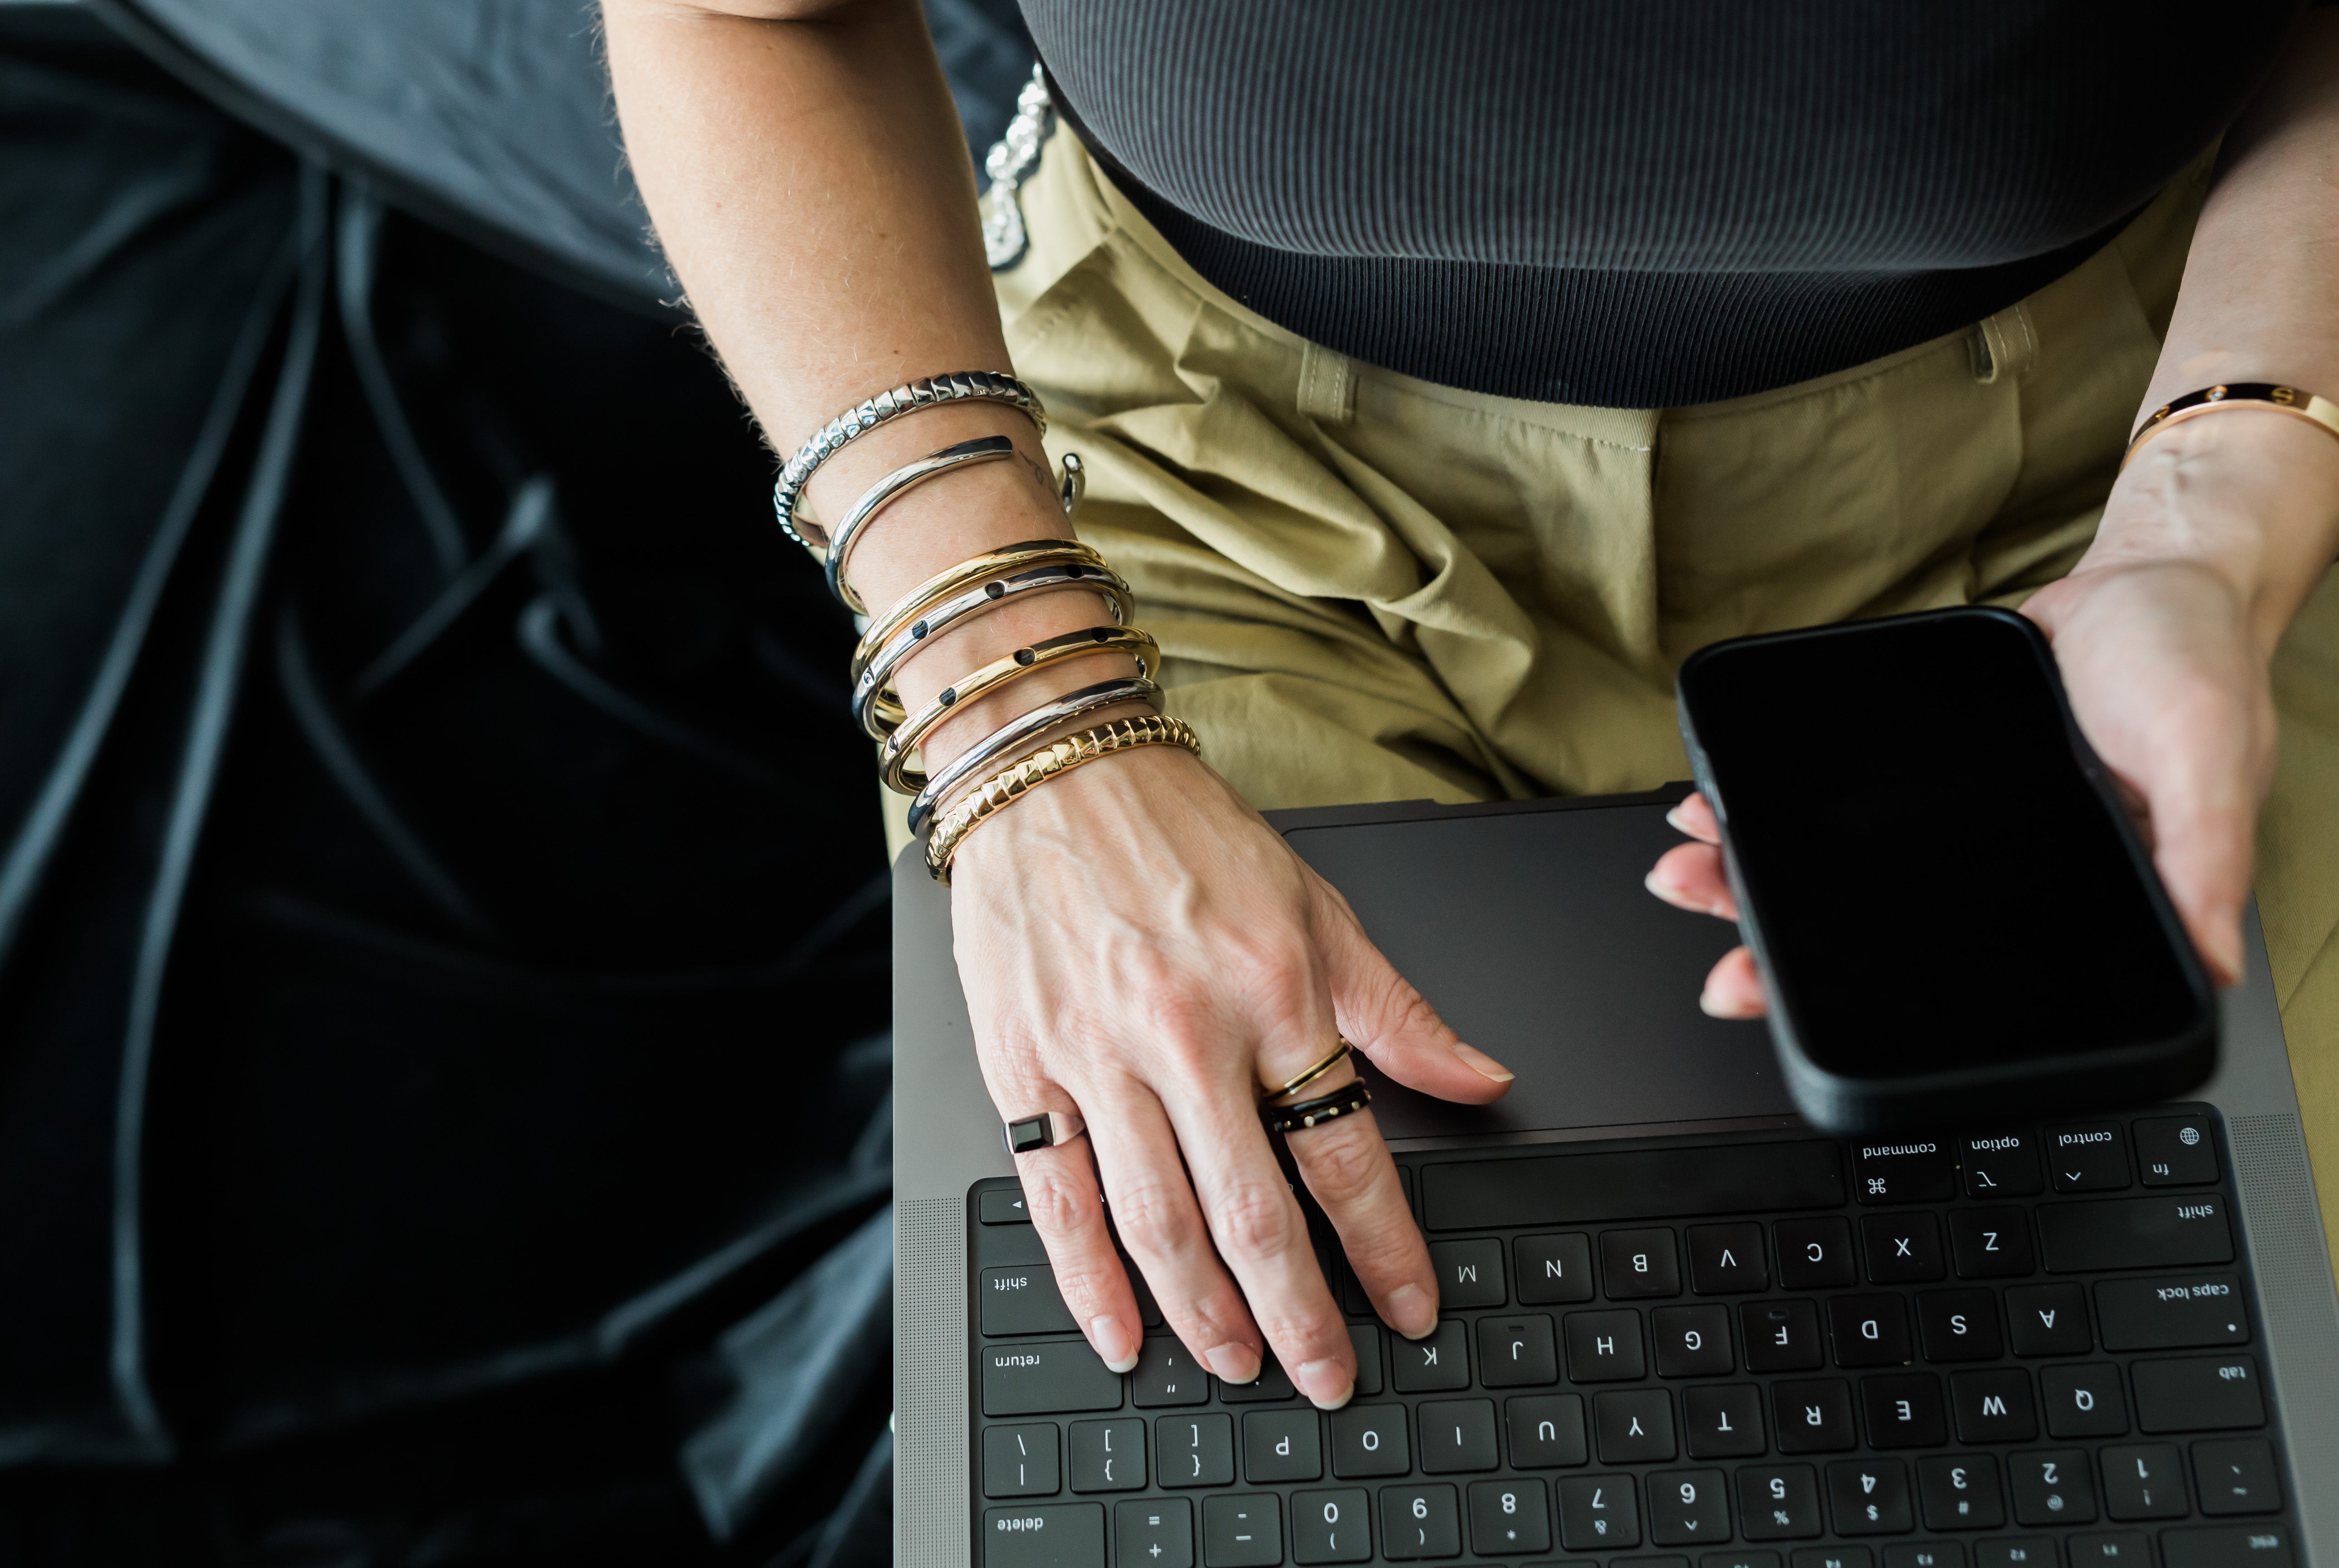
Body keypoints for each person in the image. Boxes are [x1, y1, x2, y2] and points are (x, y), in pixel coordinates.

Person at [598, 0, 2339, 1415]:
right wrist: (1017, 721)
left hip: (2129, 438)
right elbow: (746, 22)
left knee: (2172, 1354)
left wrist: (2218, 509)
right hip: (1225, 479)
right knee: (1269, 1401)